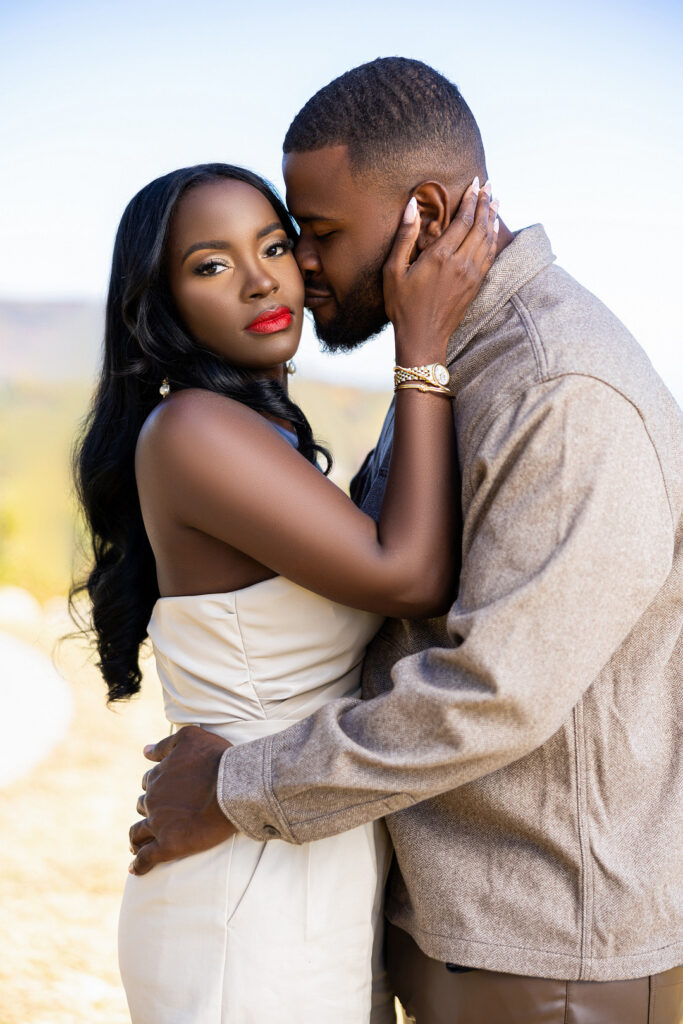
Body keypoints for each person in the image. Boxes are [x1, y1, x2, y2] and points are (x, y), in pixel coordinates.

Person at [131, 59, 683, 1023]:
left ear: (423, 209)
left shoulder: (557, 391)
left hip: (545, 952)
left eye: (316, 234)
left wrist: (235, 783)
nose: (297, 267)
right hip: (433, 924)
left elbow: (493, 693)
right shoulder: (453, 364)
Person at [72, 160, 498, 1022]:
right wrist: (420, 350)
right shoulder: (192, 428)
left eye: (272, 244)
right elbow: (408, 575)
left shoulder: (253, 431)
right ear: (162, 302)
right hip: (246, 894)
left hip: (299, 861)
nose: (262, 278)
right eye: (212, 263)